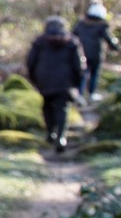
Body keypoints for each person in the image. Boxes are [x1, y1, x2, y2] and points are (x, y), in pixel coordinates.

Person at [26, 18, 85, 153]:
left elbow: (30, 62)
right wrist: (77, 82)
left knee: (47, 105)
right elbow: (79, 65)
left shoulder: (39, 42)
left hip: (44, 80)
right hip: (65, 81)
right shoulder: (72, 42)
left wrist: (34, 79)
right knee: (63, 108)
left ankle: (50, 132)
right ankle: (61, 137)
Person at [73, 1, 119, 102]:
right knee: (94, 74)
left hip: (81, 53)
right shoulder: (102, 25)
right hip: (95, 54)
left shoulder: (81, 23)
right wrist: (115, 47)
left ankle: (79, 94)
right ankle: (91, 94)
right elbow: (108, 39)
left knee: (83, 73)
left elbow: (73, 35)